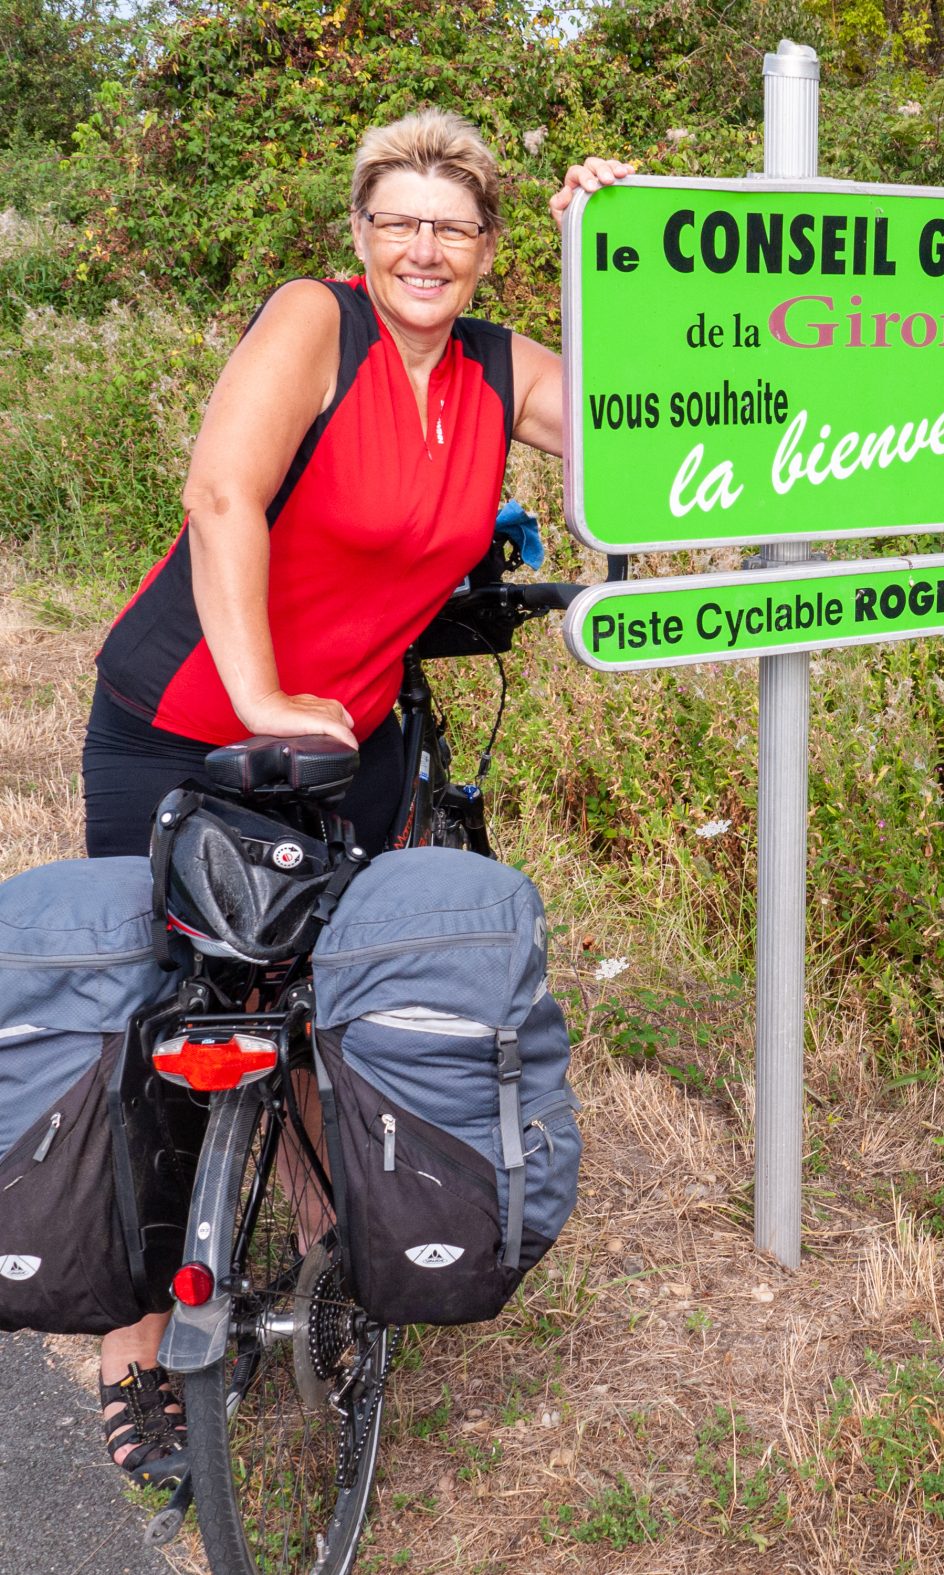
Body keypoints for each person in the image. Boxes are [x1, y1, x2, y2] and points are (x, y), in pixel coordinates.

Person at [79, 106, 630, 1484]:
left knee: (335, 1010)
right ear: (361, 236)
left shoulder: (503, 366)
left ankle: (338, 1255)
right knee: (159, 1027)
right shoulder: (313, 325)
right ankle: (135, 1345)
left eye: (453, 225)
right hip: (183, 724)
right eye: (399, 222)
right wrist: (262, 694)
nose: (423, 248)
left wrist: (608, 253)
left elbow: (646, 428)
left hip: (356, 739)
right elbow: (222, 498)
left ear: (490, 247)